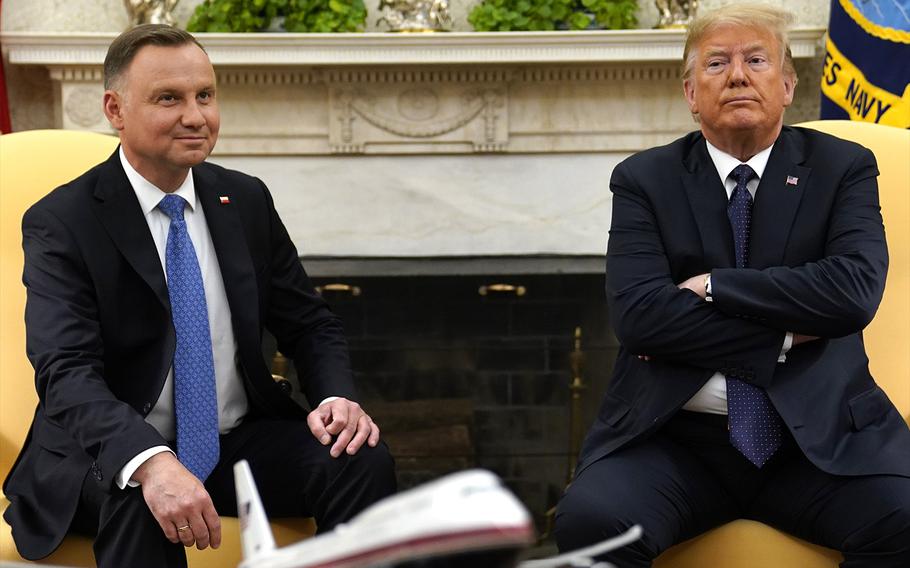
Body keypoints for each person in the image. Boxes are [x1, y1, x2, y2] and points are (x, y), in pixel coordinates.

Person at [2, 24, 396, 568]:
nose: (196, 116)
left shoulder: (246, 199)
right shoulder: (62, 220)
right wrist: (150, 460)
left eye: (205, 96)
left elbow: (309, 322)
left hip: (232, 441)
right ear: (115, 110)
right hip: (105, 454)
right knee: (146, 498)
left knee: (358, 458)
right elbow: (64, 369)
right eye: (170, 98)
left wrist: (335, 399)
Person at [555, 4, 910, 566]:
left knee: (905, 516)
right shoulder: (645, 179)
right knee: (593, 525)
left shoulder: (844, 168)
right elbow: (640, 316)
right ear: (691, 93)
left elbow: (852, 292)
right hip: (675, 443)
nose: (738, 75)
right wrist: (784, 338)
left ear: (788, 84)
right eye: (717, 63)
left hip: (817, 444)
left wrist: (718, 286)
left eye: (756, 59)